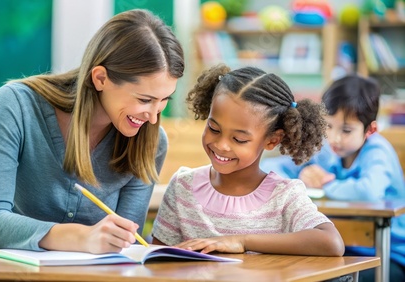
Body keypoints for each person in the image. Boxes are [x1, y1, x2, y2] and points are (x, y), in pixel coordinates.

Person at [0, 9, 185, 254]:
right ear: (100, 78)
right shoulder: (16, 104)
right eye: (144, 100)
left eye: (164, 100)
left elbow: (124, 246)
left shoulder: (151, 142)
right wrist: (81, 237)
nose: (154, 117)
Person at [151, 65, 344, 257]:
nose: (222, 145)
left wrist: (242, 241)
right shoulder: (182, 187)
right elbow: (157, 259)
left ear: (272, 140)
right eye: (214, 129)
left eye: (239, 139)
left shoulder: (284, 196)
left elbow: (332, 243)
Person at [261, 74, 405, 281]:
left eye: (346, 130)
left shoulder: (378, 151)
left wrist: (326, 182)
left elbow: (368, 191)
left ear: (371, 129)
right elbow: (270, 167)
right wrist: (302, 178)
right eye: (328, 126)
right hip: (345, 248)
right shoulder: (329, 150)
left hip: (390, 254)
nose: (335, 138)